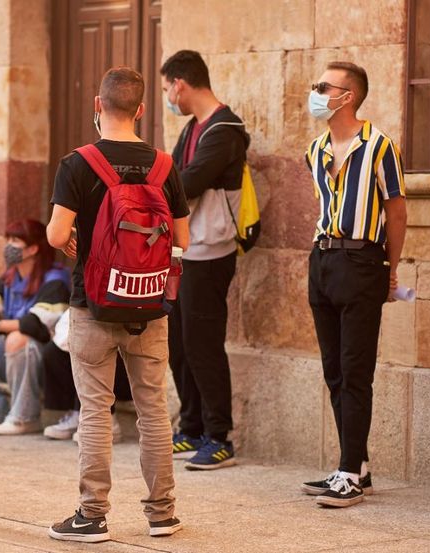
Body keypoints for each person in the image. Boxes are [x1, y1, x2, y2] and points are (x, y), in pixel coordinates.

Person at [46, 66, 190, 542]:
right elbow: (182, 239)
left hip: (92, 304)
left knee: (95, 410)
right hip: (148, 305)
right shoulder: (164, 167)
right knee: (153, 409)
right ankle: (162, 513)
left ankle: (92, 515)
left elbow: (55, 234)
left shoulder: (77, 164)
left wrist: (75, 243)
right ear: (142, 110)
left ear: (97, 105)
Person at [300, 61, 406, 508]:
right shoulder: (316, 149)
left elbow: (396, 212)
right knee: (334, 370)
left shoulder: (380, 146)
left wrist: (390, 267)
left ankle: (348, 472)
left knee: (356, 370)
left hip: (363, 260)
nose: (316, 92)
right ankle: (354, 466)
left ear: (348, 96)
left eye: (323, 86)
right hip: (322, 258)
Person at [160, 50, 250, 470]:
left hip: (211, 252)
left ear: (180, 83)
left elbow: (186, 182)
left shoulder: (225, 129)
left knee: (203, 343)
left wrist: (161, 186)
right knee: (179, 342)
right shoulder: (193, 128)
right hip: (184, 251)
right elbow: (173, 178)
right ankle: (191, 426)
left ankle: (219, 437)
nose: (167, 96)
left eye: (166, 88)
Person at [0, 219, 71, 435]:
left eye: (15, 241)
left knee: (18, 338)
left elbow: (36, 324)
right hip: (13, 359)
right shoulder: (9, 279)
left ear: (33, 248)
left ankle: (25, 416)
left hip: (47, 365)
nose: (8, 246)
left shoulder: (56, 278)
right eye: (7, 239)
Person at [42, 309, 129, 443]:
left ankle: (108, 421)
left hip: (126, 366)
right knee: (55, 351)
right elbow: (63, 334)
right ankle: (78, 413)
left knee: (94, 348)